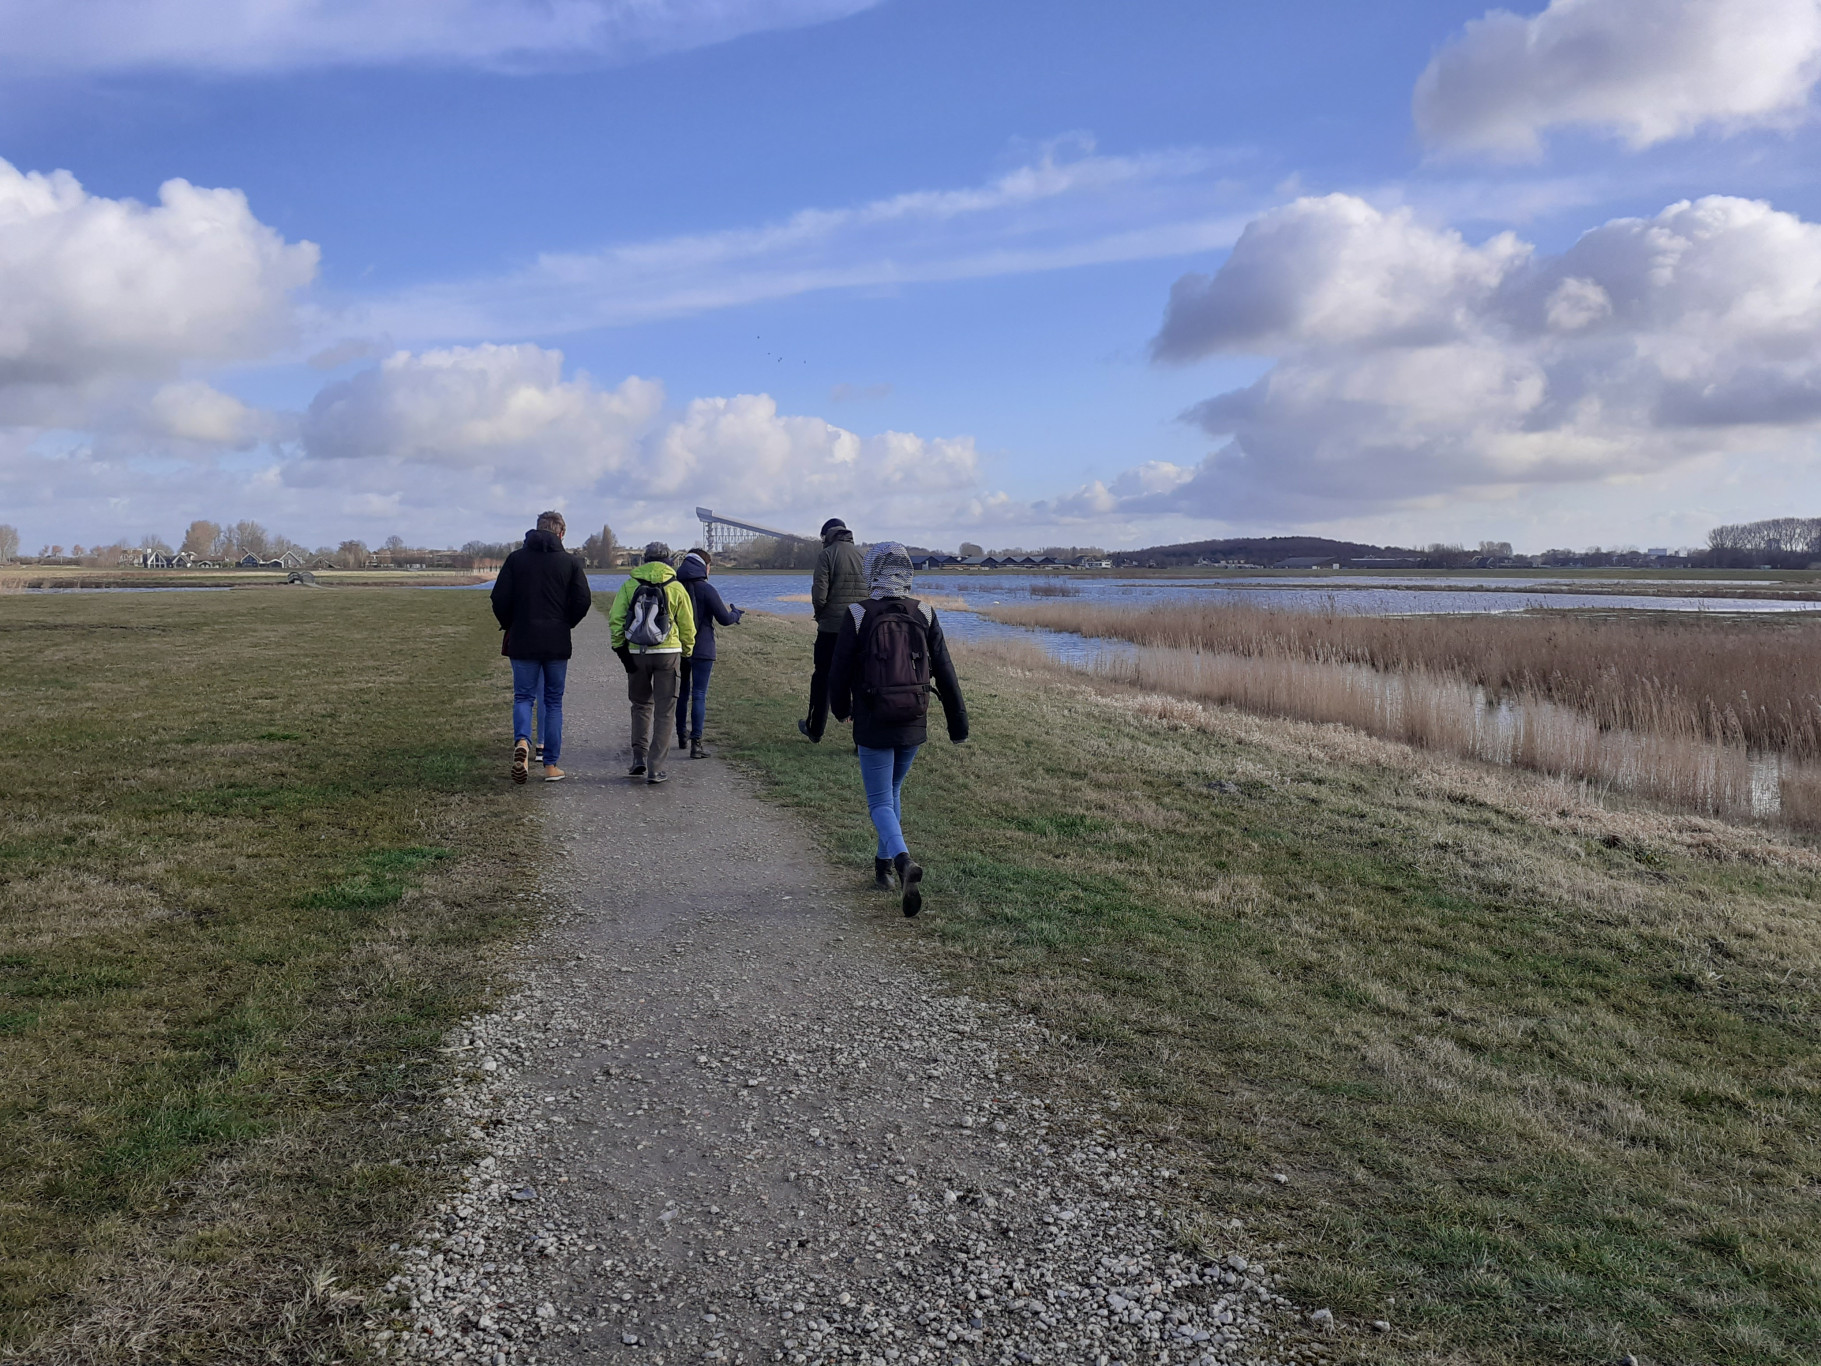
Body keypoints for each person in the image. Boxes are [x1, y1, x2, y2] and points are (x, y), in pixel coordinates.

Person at [828, 541, 967, 916]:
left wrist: (841, 711)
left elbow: (838, 670)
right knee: (892, 792)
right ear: (907, 571)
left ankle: (902, 862)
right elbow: (945, 669)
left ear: (870, 571)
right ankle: (882, 869)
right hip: (914, 718)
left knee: (879, 801)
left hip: (873, 718)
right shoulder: (924, 611)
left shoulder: (858, 613)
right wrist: (958, 723)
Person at [490, 511, 592, 784]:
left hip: (523, 637)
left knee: (523, 696)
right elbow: (583, 600)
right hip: (557, 639)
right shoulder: (570, 562)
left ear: (535, 530)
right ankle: (550, 766)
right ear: (561, 533)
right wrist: (566, 622)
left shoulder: (515, 560)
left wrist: (510, 622)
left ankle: (522, 743)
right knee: (553, 701)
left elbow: (499, 597)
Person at [608, 541, 696, 785]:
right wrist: (687, 653)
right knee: (665, 709)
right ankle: (655, 768)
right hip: (668, 652)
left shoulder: (629, 584)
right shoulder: (676, 586)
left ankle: (638, 757)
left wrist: (620, 649)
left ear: (645, 560)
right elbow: (688, 626)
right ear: (668, 561)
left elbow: (616, 619)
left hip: (637, 651)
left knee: (640, 705)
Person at [799, 516, 866, 742]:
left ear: (827, 535)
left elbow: (819, 594)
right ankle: (862, 740)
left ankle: (815, 729)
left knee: (822, 678)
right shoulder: (865, 556)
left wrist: (820, 616)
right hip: (860, 629)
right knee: (860, 681)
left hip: (831, 629)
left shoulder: (826, 555)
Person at [674, 549, 744, 759]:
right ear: (705, 567)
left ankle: (681, 736)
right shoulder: (707, 589)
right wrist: (736, 614)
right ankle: (697, 743)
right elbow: (724, 618)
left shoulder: (675, 588)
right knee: (699, 694)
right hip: (703, 648)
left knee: (683, 693)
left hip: (679, 647)